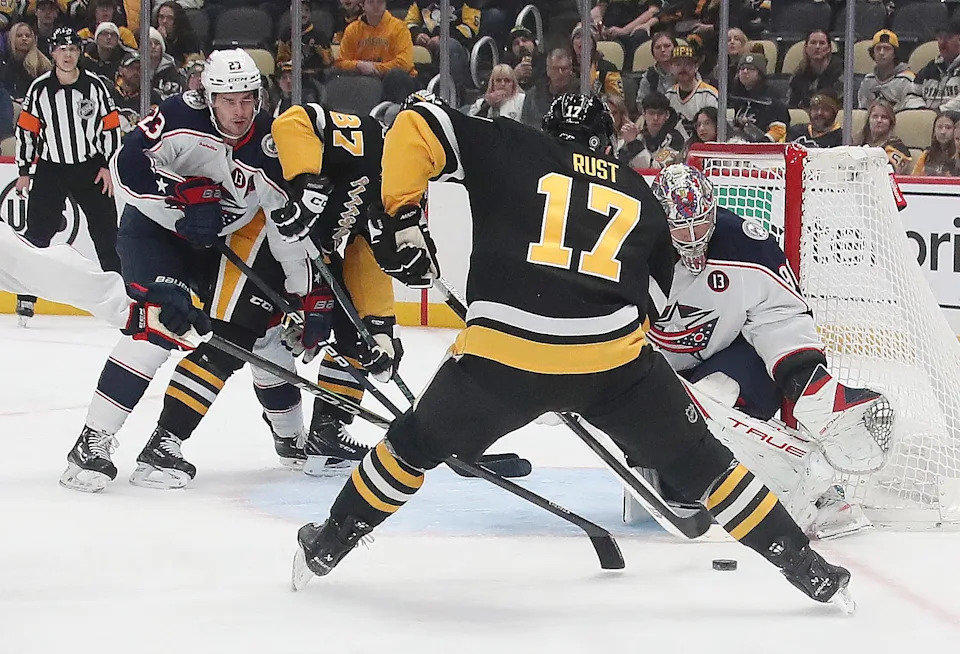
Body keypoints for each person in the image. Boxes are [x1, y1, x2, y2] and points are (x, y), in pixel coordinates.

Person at [286, 92, 856, 612]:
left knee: (411, 446)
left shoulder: (511, 143)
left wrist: (401, 216)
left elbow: (417, 121)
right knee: (707, 464)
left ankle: (329, 543)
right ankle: (806, 566)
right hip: (611, 365)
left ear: (547, 130)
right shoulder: (638, 192)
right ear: (605, 144)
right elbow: (652, 307)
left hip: (501, 359)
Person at [60, 49, 313, 493]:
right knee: (161, 321)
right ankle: (92, 440)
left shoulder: (268, 143)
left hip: (214, 243)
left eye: (247, 99)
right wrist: (181, 192)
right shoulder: (178, 115)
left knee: (266, 328)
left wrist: (299, 293)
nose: (240, 111)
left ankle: (291, 438)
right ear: (208, 97)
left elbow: (281, 224)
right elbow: (126, 166)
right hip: (153, 232)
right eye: (229, 101)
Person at [647, 163, 894, 539]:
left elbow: (779, 315)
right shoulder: (631, 249)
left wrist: (806, 380)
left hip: (726, 363)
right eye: (681, 228)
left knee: (718, 397)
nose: (694, 237)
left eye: (701, 223)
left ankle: (815, 488)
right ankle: (687, 467)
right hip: (652, 373)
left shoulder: (744, 243)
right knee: (681, 460)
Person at [270, 101, 404, 475]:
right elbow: (296, 119)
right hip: (263, 234)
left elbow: (367, 254)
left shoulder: (404, 190)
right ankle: (164, 439)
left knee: (359, 337)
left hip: (311, 256)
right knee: (247, 335)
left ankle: (325, 436)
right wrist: (305, 183)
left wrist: (379, 328)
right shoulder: (370, 138)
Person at [14, 26, 121, 327]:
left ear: (79, 53)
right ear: (52, 53)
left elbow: (111, 128)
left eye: (73, 48)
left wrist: (107, 166)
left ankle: (121, 298)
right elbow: (27, 131)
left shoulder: (96, 87)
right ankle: (25, 298)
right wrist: (24, 170)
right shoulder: (39, 89)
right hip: (51, 169)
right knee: (37, 235)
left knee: (107, 236)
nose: (68, 54)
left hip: (90, 168)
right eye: (62, 49)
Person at [335, 0, 417, 104]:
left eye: (380, 2)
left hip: (394, 82)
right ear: (362, 5)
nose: (376, 6)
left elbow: (405, 64)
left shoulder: (399, 28)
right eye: (371, 2)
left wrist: (375, 69)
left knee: (396, 76)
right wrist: (358, 65)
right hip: (362, 82)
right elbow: (340, 63)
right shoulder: (352, 30)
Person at [405, 0, 478, 97]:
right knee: (408, 52)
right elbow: (409, 23)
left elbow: (470, 28)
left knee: (448, 47)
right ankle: (415, 97)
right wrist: (417, 35)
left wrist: (442, 38)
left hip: (457, 45)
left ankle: (452, 98)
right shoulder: (420, 2)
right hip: (426, 44)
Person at [857, 30, 924, 112]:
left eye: (886, 49)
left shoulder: (907, 80)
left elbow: (914, 112)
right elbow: (862, 111)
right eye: (878, 48)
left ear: (894, 54)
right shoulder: (868, 80)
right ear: (873, 53)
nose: (881, 53)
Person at [728, 51, 788, 143]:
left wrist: (762, 142)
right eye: (742, 68)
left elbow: (780, 129)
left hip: (766, 146)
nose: (745, 71)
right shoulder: (736, 95)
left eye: (751, 69)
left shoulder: (772, 98)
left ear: (760, 74)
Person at [617, 90, 683, 169]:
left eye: (660, 113)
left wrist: (633, 143)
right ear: (643, 114)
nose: (655, 118)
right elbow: (621, 165)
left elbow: (656, 168)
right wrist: (626, 144)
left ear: (667, 115)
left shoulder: (675, 139)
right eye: (651, 113)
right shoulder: (639, 137)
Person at [664, 43, 717, 137]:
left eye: (688, 64)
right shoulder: (668, 96)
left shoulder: (709, 95)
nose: (683, 68)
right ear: (671, 67)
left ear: (696, 67)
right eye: (678, 64)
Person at [519, 47, 576, 128]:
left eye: (564, 69)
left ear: (571, 69)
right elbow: (525, 125)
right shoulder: (533, 96)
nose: (560, 73)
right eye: (555, 69)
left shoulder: (581, 92)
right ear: (548, 70)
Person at [786, 30, 842, 110]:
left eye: (822, 43)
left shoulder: (840, 73)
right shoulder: (798, 77)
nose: (817, 47)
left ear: (829, 48)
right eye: (813, 43)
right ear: (806, 48)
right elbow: (791, 106)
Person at [277, 1, 334, 79]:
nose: (303, 14)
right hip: (292, 76)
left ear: (310, 13)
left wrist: (319, 50)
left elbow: (329, 62)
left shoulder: (320, 35)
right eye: (299, 10)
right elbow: (281, 61)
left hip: (315, 75)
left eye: (306, 10)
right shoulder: (286, 34)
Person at [1, 22, 52, 102]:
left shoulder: (42, 64)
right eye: (19, 36)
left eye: (27, 36)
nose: (24, 38)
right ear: (12, 39)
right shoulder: (6, 63)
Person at [917, 19, 960, 112]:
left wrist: (939, 111)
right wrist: (920, 109)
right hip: (927, 116)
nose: (942, 42)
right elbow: (911, 94)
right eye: (940, 37)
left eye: (948, 37)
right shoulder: (929, 68)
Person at [571, 22, 623, 99]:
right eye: (578, 37)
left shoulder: (608, 69)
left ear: (593, 43)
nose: (581, 41)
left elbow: (618, 100)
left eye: (586, 37)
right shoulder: (566, 69)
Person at [858, 100, 912, 174]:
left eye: (884, 117)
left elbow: (891, 172)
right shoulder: (859, 142)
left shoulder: (897, 146)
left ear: (890, 122)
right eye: (875, 116)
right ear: (868, 120)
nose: (879, 120)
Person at [154, 1, 203, 68]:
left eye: (170, 18)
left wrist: (164, 42)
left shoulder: (189, 37)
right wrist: (158, 39)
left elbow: (178, 62)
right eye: (161, 17)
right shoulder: (153, 35)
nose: (164, 21)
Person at [635, 30, 675, 107]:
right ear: (653, 52)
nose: (662, 50)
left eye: (667, 46)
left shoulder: (684, 72)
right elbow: (640, 103)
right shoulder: (649, 76)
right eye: (658, 47)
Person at [912, 112, 956, 176]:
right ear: (934, 131)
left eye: (948, 128)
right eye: (939, 127)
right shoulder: (926, 155)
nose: (943, 132)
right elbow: (915, 178)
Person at [501, 25, 541, 91]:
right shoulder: (505, 67)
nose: (521, 45)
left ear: (534, 43)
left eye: (524, 40)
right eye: (516, 43)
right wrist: (514, 76)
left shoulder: (546, 62)